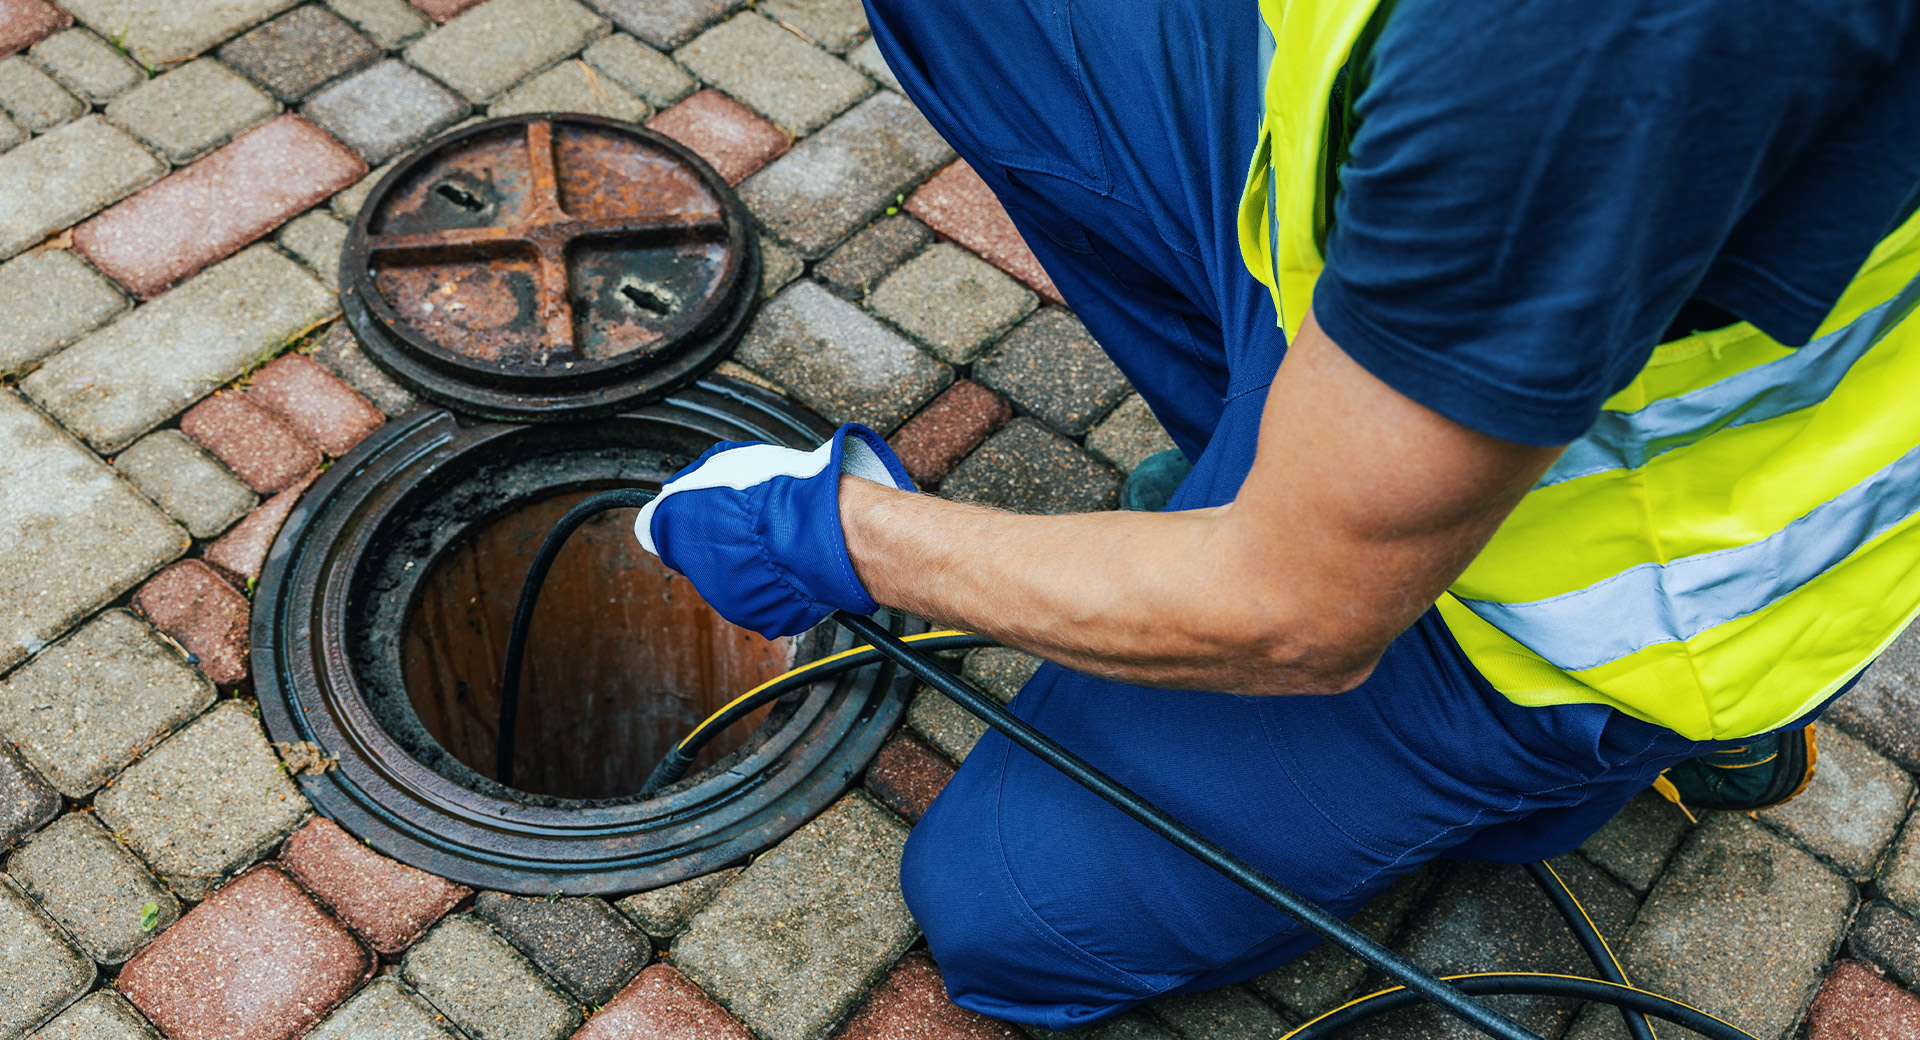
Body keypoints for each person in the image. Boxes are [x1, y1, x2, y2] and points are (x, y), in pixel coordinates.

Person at [635, 0, 1920, 1029]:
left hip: (1577, 601)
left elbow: (1295, 615)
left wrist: (843, 533)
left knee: (1008, 914)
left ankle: (1585, 773)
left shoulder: (1590, 50)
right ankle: (1303, 469)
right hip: (1407, 279)